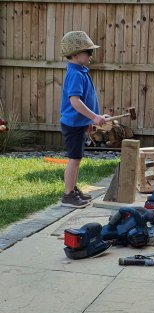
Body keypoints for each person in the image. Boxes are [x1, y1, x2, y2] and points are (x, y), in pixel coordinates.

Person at [60, 30, 109, 208]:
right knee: (74, 159)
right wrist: (94, 117)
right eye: (88, 52)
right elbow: (75, 102)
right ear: (75, 54)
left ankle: (72, 190)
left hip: (79, 124)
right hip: (72, 125)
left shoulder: (81, 71)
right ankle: (67, 195)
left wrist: (88, 122)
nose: (91, 55)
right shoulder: (75, 74)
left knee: (78, 158)